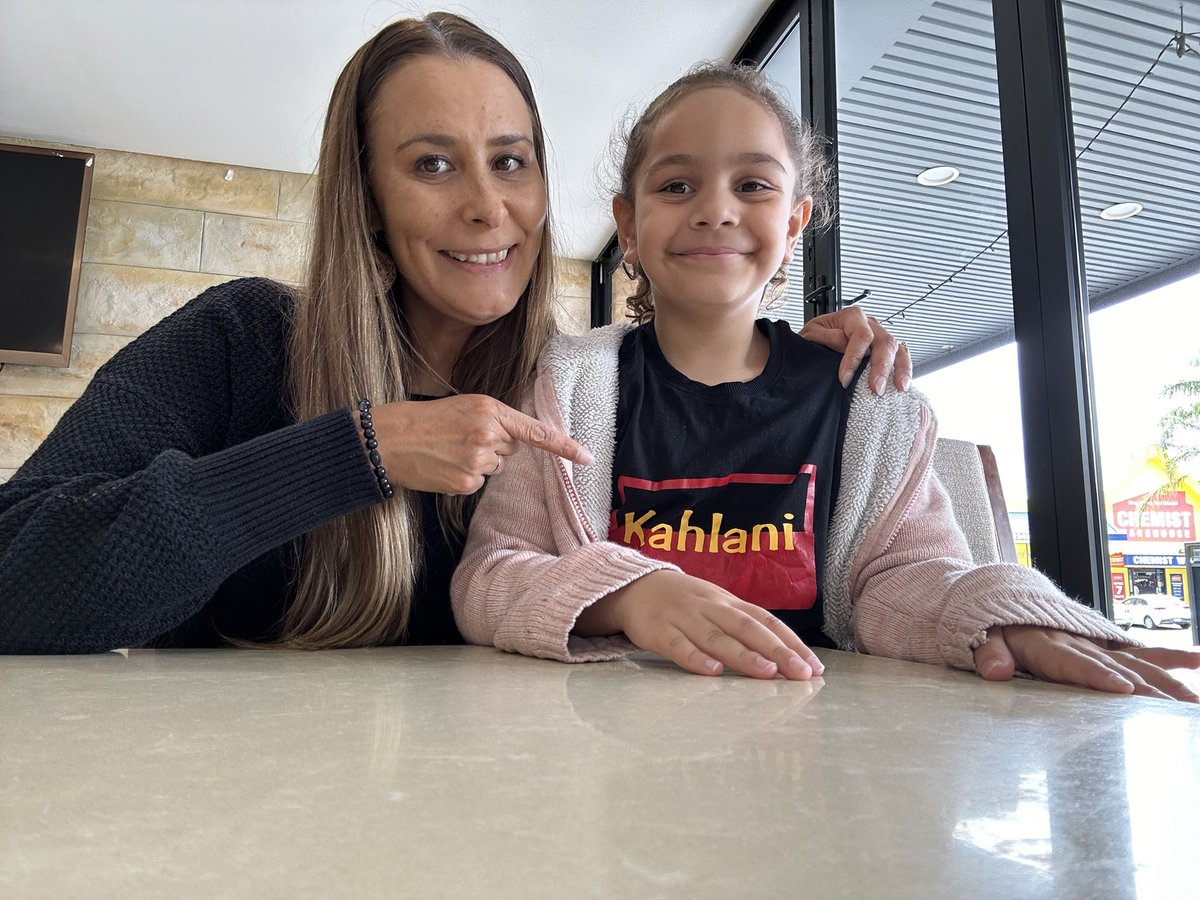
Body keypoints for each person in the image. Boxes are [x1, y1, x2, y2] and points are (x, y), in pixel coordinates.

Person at [0, 14, 907, 655]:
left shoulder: (575, 394)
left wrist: (787, 368)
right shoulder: (241, 340)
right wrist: (355, 451)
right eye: (432, 165)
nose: (485, 207)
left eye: (511, 162)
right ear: (368, 195)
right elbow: (19, 575)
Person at [451, 62, 1200, 701]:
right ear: (631, 224)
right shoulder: (567, 389)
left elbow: (906, 581)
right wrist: (623, 592)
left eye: (753, 185)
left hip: (820, 752)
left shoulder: (864, 399)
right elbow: (489, 576)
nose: (715, 210)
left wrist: (1000, 612)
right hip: (598, 752)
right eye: (677, 186)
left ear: (797, 223)